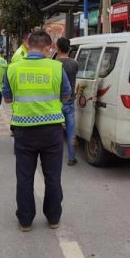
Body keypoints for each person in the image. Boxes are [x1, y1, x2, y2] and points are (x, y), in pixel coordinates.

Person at [3, 30, 71, 232]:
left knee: (24, 177)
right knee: (53, 176)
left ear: (28, 45)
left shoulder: (13, 68)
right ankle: (53, 218)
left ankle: (25, 221)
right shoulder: (57, 67)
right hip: (51, 131)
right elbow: (66, 95)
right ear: (47, 47)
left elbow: (7, 99)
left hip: (23, 131)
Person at [56, 37, 79, 166]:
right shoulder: (74, 63)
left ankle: (56, 157)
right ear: (69, 48)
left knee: (57, 131)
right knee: (71, 131)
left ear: (57, 48)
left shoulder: (54, 64)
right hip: (70, 101)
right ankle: (71, 158)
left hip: (56, 102)